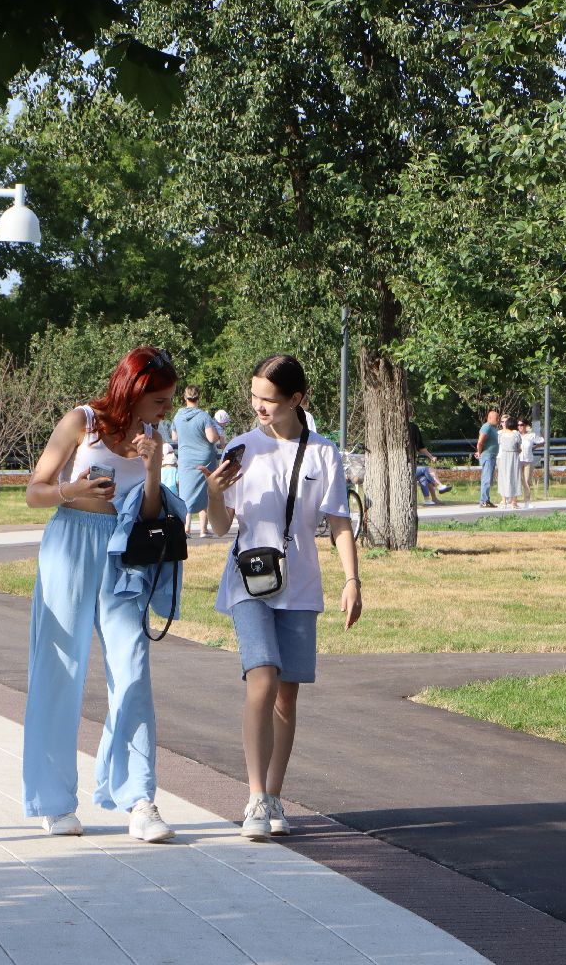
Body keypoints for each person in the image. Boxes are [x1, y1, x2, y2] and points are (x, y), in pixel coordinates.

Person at [21, 346, 179, 843]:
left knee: (132, 667)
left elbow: (152, 513)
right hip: (70, 541)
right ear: (134, 390)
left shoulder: (154, 435)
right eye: (159, 399)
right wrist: (76, 491)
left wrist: (153, 470)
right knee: (58, 669)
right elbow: (35, 490)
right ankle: (53, 800)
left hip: (123, 556)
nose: (165, 410)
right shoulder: (82, 422)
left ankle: (139, 799)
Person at [203, 354, 360, 841]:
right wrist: (212, 492)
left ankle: (273, 795)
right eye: (254, 397)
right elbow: (220, 525)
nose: (259, 407)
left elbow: (338, 522)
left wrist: (352, 580)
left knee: (286, 696)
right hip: (248, 580)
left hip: (300, 584)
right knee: (262, 678)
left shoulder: (324, 453)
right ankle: (253, 798)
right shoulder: (241, 448)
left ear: (297, 399)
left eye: (269, 399)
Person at [173, 386, 222, 536]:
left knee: (186, 493)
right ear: (198, 397)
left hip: (186, 460)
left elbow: (174, 438)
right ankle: (203, 529)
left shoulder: (177, 416)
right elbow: (212, 438)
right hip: (204, 459)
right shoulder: (204, 417)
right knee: (204, 492)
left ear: (184, 397)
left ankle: (185, 528)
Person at [409, 419, 450, 505]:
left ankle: (428, 500)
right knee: (427, 469)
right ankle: (438, 485)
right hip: (407, 467)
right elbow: (420, 447)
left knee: (423, 478)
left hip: (412, 465)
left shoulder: (413, 427)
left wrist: (431, 457)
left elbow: (420, 447)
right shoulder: (412, 427)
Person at [474, 409, 500, 508]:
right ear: (489, 418)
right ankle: (484, 500)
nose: (498, 419)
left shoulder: (493, 428)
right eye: (496, 418)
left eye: (498, 417)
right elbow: (480, 442)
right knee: (486, 478)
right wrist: (480, 452)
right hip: (488, 456)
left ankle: (487, 499)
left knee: (489, 479)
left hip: (492, 456)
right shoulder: (487, 427)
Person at [496, 415, 523, 509]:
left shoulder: (501, 434)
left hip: (504, 456)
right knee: (514, 477)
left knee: (503, 477)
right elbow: (519, 447)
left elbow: (500, 444)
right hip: (514, 456)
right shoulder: (516, 434)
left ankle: (503, 501)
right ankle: (514, 502)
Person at [518, 420, 545, 507]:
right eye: (518, 425)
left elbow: (542, 441)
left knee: (526, 481)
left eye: (521, 425)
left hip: (528, 460)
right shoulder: (515, 435)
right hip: (517, 460)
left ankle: (527, 501)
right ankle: (512, 500)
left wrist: (535, 447)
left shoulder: (531, 435)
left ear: (525, 425)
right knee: (517, 480)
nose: (519, 426)